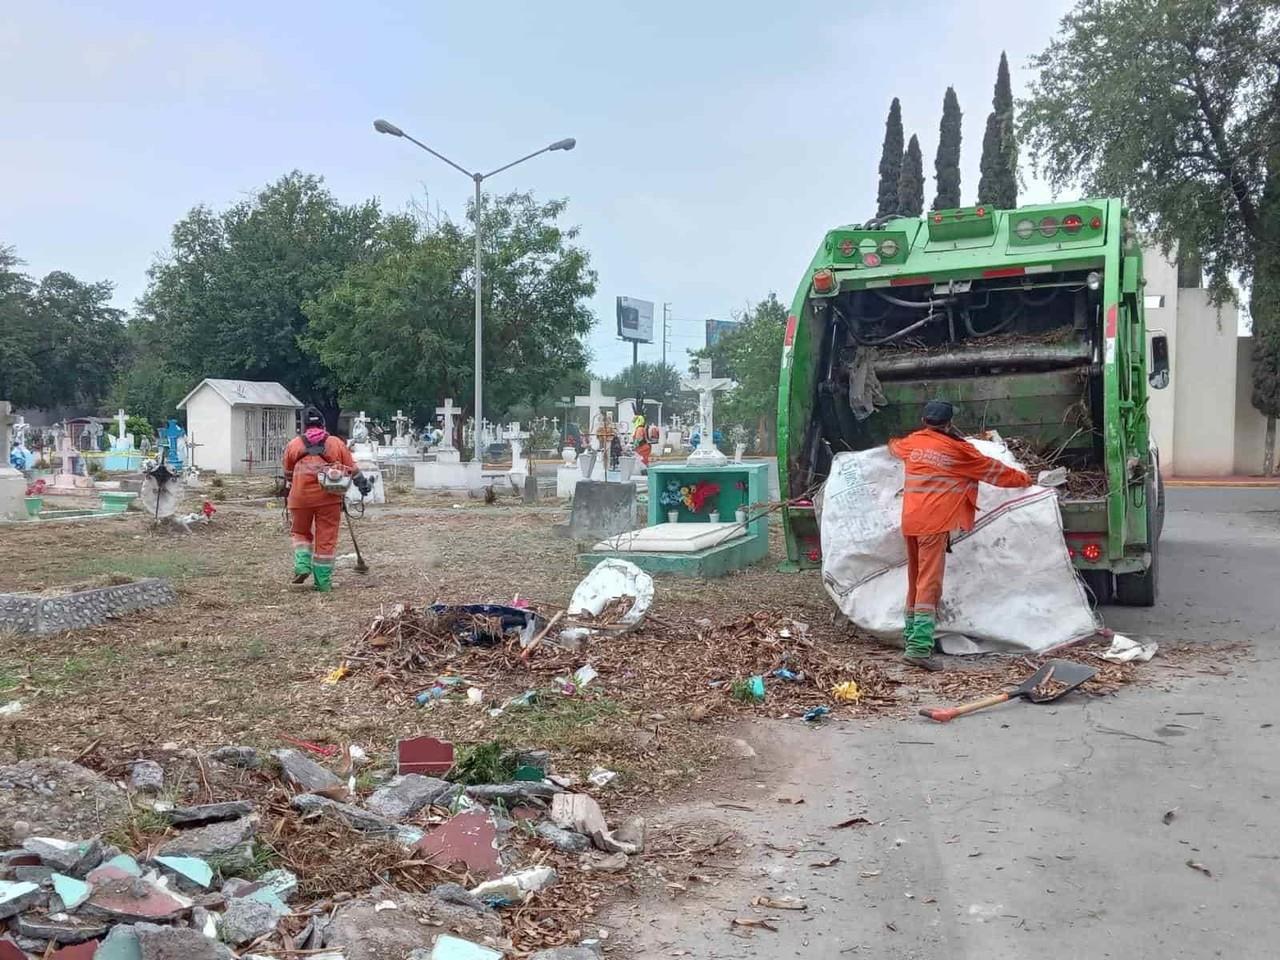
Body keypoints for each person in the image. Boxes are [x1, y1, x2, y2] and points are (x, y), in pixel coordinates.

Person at [887, 400, 1032, 671]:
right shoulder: (958, 451)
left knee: (916, 580)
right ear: (949, 423)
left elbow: (894, 446)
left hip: (911, 521)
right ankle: (919, 648)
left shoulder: (912, 443)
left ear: (923, 419)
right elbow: (994, 471)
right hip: (934, 524)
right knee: (929, 583)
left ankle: (911, 640)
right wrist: (1024, 479)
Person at [283, 408, 371, 592]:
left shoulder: (293, 445)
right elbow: (351, 468)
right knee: (326, 538)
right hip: (328, 499)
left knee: (300, 532)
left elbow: (288, 474)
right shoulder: (335, 443)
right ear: (323, 424)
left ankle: (302, 566)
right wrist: (362, 484)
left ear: (304, 426)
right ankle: (322, 583)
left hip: (300, 498)